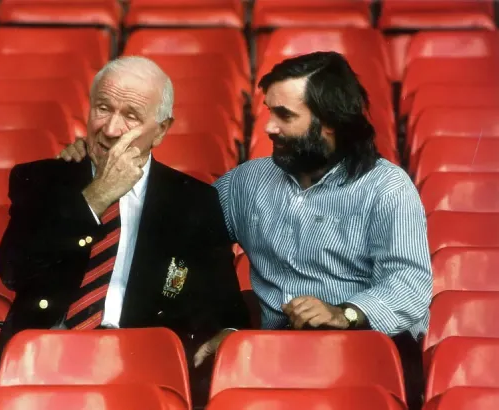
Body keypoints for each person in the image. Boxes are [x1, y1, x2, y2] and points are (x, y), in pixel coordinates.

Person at [60, 52, 432, 410]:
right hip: (268, 358)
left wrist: (345, 314)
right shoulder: (249, 183)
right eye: (270, 113)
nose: (269, 127)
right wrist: (94, 166)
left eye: (284, 116)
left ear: (330, 122)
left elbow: (411, 283)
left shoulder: (387, 188)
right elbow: (181, 225)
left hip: (362, 354)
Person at [0, 56, 250, 401]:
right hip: (43, 358)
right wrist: (96, 197)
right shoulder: (42, 179)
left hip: (139, 367)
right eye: (103, 108)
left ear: (162, 130)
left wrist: (224, 334)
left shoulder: (193, 201)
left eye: (131, 116)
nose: (109, 129)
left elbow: (225, 308)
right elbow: (13, 271)